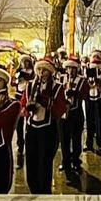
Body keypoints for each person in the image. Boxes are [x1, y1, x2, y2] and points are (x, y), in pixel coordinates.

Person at [20, 57, 68, 193]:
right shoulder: (29, 86)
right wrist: (27, 109)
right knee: (31, 160)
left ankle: (44, 192)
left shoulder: (57, 87)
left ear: (50, 72)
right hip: (31, 128)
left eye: (45, 70)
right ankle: (33, 190)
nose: (41, 73)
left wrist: (44, 101)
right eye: (39, 69)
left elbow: (60, 109)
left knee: (45, 162)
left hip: (48, 130)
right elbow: (22, 105)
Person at [59, 56, 89, 174]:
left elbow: (85, 95)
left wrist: (75, 93)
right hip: (63, 113)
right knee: (64, 139)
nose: (71, 71)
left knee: (76, 138)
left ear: (77, 69)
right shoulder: (61, 78)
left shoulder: (82, 80)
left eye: (73, 68)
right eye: (69, 68)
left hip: (76, 113)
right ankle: (65, 162)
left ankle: (76, 161)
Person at [13, 54, 35, 169]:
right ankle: (20, 148)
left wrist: (27, 79)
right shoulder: (18, 71)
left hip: (28, 98)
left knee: (29, 124)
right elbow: (13, 83)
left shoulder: (33, 72)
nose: (25, 63)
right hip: (18, 98)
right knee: (19, 124)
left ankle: (30, 146)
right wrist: (17, 79)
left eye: (26, 61)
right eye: (23, 61)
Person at [85, 53, 101, 150]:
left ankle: (99, 143)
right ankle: (89, 144)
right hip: (89, 101)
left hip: (99, 101)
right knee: (89, 122)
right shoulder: (87, 77)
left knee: (99, 122)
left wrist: (98, 83)